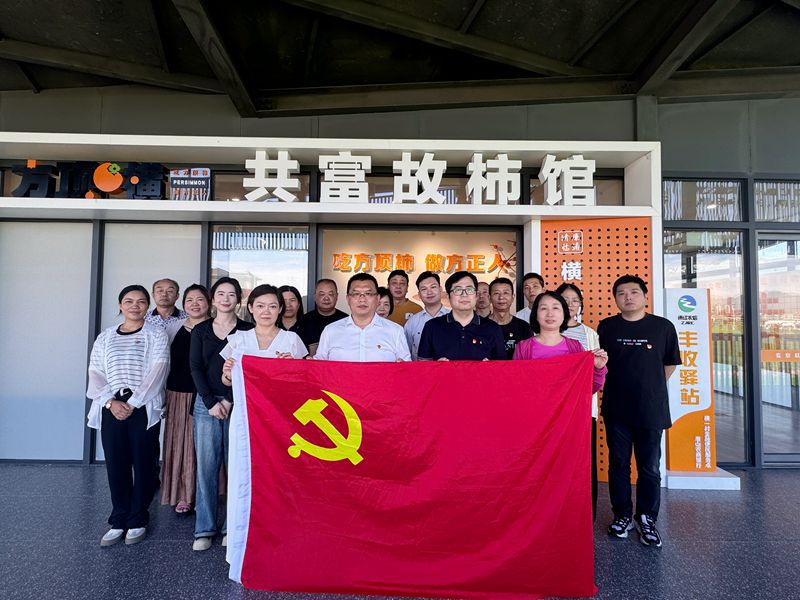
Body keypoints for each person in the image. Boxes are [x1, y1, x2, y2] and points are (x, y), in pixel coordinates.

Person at [598, 275, 681, 548]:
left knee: (649, 467)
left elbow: (670, 364)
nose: (628, 297)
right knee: (618, 465)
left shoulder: (663, 327)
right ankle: (622, 515)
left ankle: (647, 518)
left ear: (645, 295)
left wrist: (649, 388)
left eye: (634, 292)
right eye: (622, 293)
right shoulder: (606, 327)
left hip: (651, 409)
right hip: (616, 408)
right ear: (615, 298)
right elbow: (601, 363)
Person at [87, 285, 170, 547]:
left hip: (142, 406)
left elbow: (158, 371)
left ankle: (138, 519)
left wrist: (132, 403)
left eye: (141, 301)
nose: (135, 306)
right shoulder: (105, 337)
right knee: (116, 463)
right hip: (111, 406)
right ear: (120, 305)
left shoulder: (155, 334)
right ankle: (118, 518)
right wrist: (111, 402)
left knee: (144, 463)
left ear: (148, 306)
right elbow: (95, 372)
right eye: (129, 301)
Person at [513, 290, 608, 520]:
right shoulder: (523, 347)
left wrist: (598, 368)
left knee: (565, 475)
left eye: (556, 308)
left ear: (564, 314)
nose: (550, 313)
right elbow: (516, 387)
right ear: (535, 315)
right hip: (534, 426)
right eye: (543, 308)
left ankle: (565, 521)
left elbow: (589, 387)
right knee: (535, 476)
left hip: (568, 426)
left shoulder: (575, 348)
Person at [189, 277, 254, 552]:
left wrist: (228, 399)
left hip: (238, 403)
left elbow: (249, 368)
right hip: (205, 405)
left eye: (231, 294)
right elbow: (195, 368)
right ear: (213, 299)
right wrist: (210, 402)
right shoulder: (200, 330)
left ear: (238, 299)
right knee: (206, 467)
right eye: (220, 294)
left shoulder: (247, 330)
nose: (226, 299)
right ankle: (204, 528)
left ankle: (231, 527)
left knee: (236, 466)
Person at [160, 284, 210, 514]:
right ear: (183, 303)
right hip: (178, 393)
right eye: (190, 300)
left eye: (200, 299)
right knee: (180, 445)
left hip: (207, 395)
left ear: (209, 303)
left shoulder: (216, 328)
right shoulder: (173, 328)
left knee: (206, 447)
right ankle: (183, 494)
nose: (195, 304)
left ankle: (206, 494)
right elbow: (163, 363)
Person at [315, 273, 410, 362]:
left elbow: (406, 368)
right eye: (356, 294)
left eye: (368, 294)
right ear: (348, 299)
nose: (362, 299)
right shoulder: (330, 331)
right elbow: (318, 367)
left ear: (377, 299)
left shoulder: (395, 331)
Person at [417, 271, 505, 361]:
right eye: (458, 290)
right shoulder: (432, 326)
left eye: (469, 289)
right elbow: (422, 364)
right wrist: (436, 366)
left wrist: (491, 367)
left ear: (476, 295)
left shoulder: (493, 328)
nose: (464, 294)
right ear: (448, 296)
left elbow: (503, 366)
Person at [220, 284, 308, 369]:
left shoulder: (292, 339)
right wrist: (227, 375)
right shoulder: (238, 339)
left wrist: (293, 366)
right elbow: (227, 376)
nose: (266, 311)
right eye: (260, 306)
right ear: (250, 308)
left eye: (272, 306)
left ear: (280, 309)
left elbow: (302, 375)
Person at [404, 271, 449, 360]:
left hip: (449, 368)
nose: (429, 292)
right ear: (419, 295)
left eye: (433, 287)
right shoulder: (412, 322)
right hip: (420, 368)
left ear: (440, 289)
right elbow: (406, 353)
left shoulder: (453, 318)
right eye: (424, 289)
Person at [300, 279, 348, 357]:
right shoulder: (303, 321)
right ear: (315, 297)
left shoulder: (346, 321)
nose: (326, 298)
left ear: (337, 296)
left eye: (330, 294)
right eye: (322, 294)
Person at [488, 277, 532, 360]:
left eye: (506, 293)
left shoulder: (524, 327)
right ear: (489, 298)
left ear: (513, 297)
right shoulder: (481, 326)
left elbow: (528, 358)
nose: (501, 297)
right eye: (496, 293)